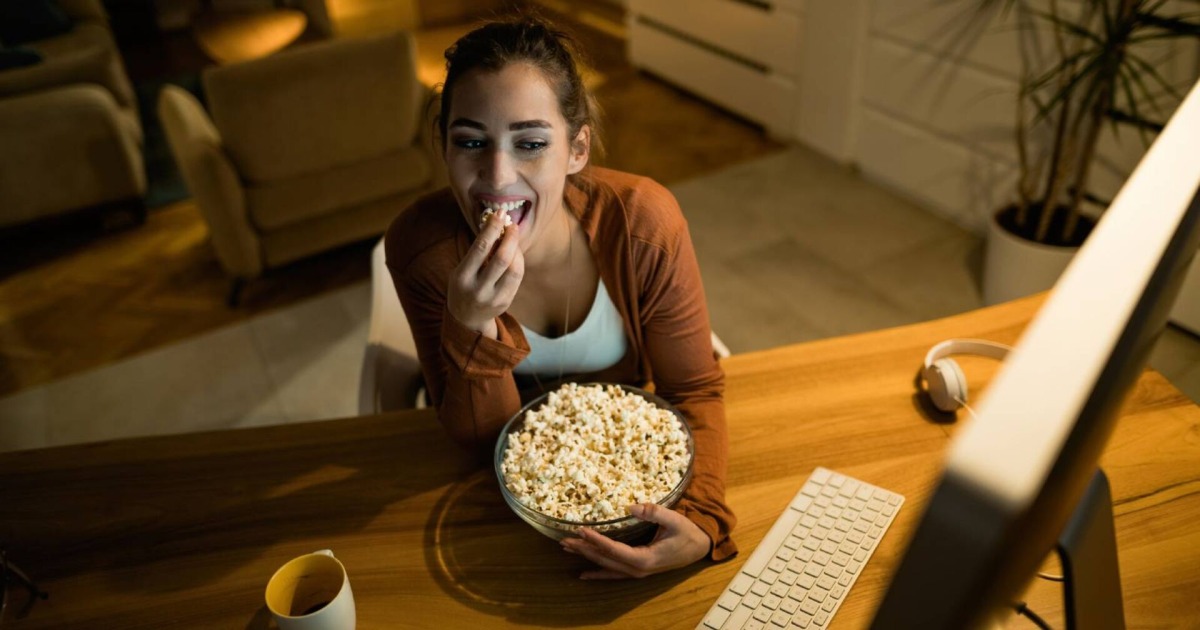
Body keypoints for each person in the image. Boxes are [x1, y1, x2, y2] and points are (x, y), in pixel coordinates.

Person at [385, 16, 736, 579]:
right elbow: (478, 442)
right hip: (505, 517)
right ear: (443, 147)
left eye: (530, 144)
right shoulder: (422, 249)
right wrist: (473, 325)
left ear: (576, 149)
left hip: (631, 492)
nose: (498, 176)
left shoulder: (643, 223)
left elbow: (693, 389)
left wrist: (702, 518)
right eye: (471, 142)